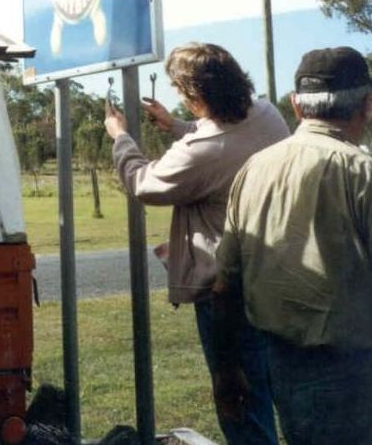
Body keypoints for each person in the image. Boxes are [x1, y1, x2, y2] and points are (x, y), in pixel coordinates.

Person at [104, 42, 288, 445]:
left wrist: (120, 137)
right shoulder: (267, 116)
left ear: (197, 95)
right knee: (274, 393)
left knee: (240, 404)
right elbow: (227, 140)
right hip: (277, 279)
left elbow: (143, 183)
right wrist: (176, 125)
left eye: (180, 89)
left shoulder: (199, 152)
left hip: (226, 294)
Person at [212, 46, 372, 445]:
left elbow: (224, 284)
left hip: (281, 363)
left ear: (297, 107)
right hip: (355, 373)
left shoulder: (253, 169)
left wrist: (226, 369)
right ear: (367, 105)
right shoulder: (361, 173)